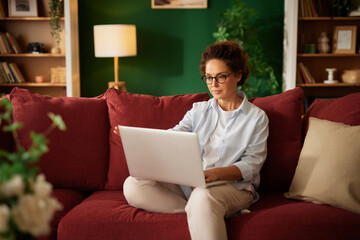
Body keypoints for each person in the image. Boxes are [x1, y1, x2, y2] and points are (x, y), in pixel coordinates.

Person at [113, 41, 269, 240]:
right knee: (133, 185)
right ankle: (202, 213)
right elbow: (172, 137)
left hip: (233, 188)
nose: (213, 84)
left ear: (238, 75)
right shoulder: (198, 111)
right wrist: (136, 138)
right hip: (192, 185)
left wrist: (216, 174)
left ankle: (205, 209)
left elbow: (252, 165)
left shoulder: (257, 118)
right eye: (209, 78)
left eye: (221, 77)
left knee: (202, 198)